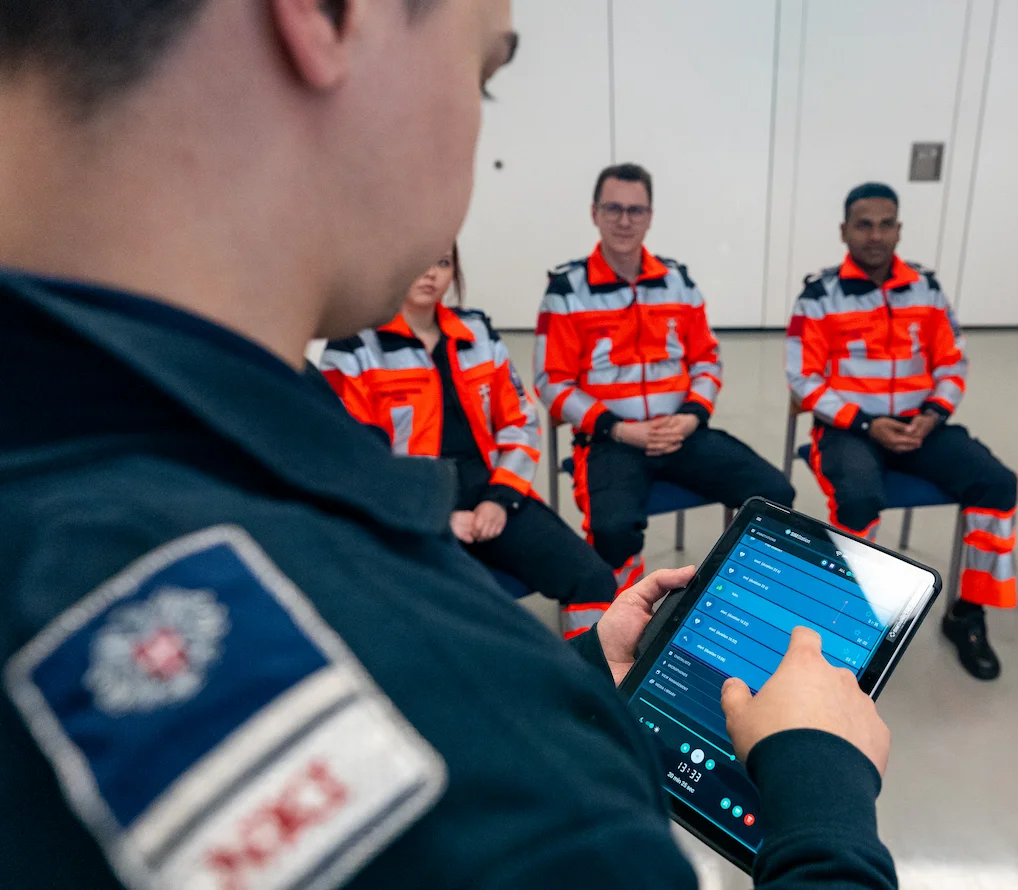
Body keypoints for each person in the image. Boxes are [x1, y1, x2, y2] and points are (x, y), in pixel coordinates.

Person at [0, 2, 896, 889]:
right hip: (605, 447)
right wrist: (821, 790)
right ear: (324, 17)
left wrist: (576, 673)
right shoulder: (524, 809)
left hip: (596, 464)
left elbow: (520, 412)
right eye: (485, 75)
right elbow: (553, 398)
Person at [320, 246, 616, 637]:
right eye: (419, 260)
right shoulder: (353, 349)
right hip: (409, 506)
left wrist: (500, 498)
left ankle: (593, 678)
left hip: (490, 493)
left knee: (593, 579)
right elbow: (353, 459)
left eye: (442, 263)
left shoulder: (476, 333)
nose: (430, 274)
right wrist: (436, 513)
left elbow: (520, 423)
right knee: (455, 617)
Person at [786, 183, 1018, 681]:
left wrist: (934, 413)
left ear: (899, 229)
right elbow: (804, 379)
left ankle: (968, 613)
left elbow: (953, 362)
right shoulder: (818, 295)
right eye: (863, 224)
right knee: (858, 499)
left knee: (997, 483)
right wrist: (867, 423)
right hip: (849, 430)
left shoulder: (927, 288)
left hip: (921, 425)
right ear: (844, 230)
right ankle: (852, 620)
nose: (875, 235)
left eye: (885, 224)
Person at [533, 163, 797, 594]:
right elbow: (551, 381)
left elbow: (708, 361)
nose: (624, 220)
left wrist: (692, 416)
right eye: (613, 208)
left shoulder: (677, 282)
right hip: (613, 440)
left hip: (681, 431)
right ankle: (627, 620)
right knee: (613, 530)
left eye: (636, 210)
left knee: (773, 494)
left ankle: (735, 602)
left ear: (650, 216)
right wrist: (618, 429)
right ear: (594, 213)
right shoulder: (566, 290)